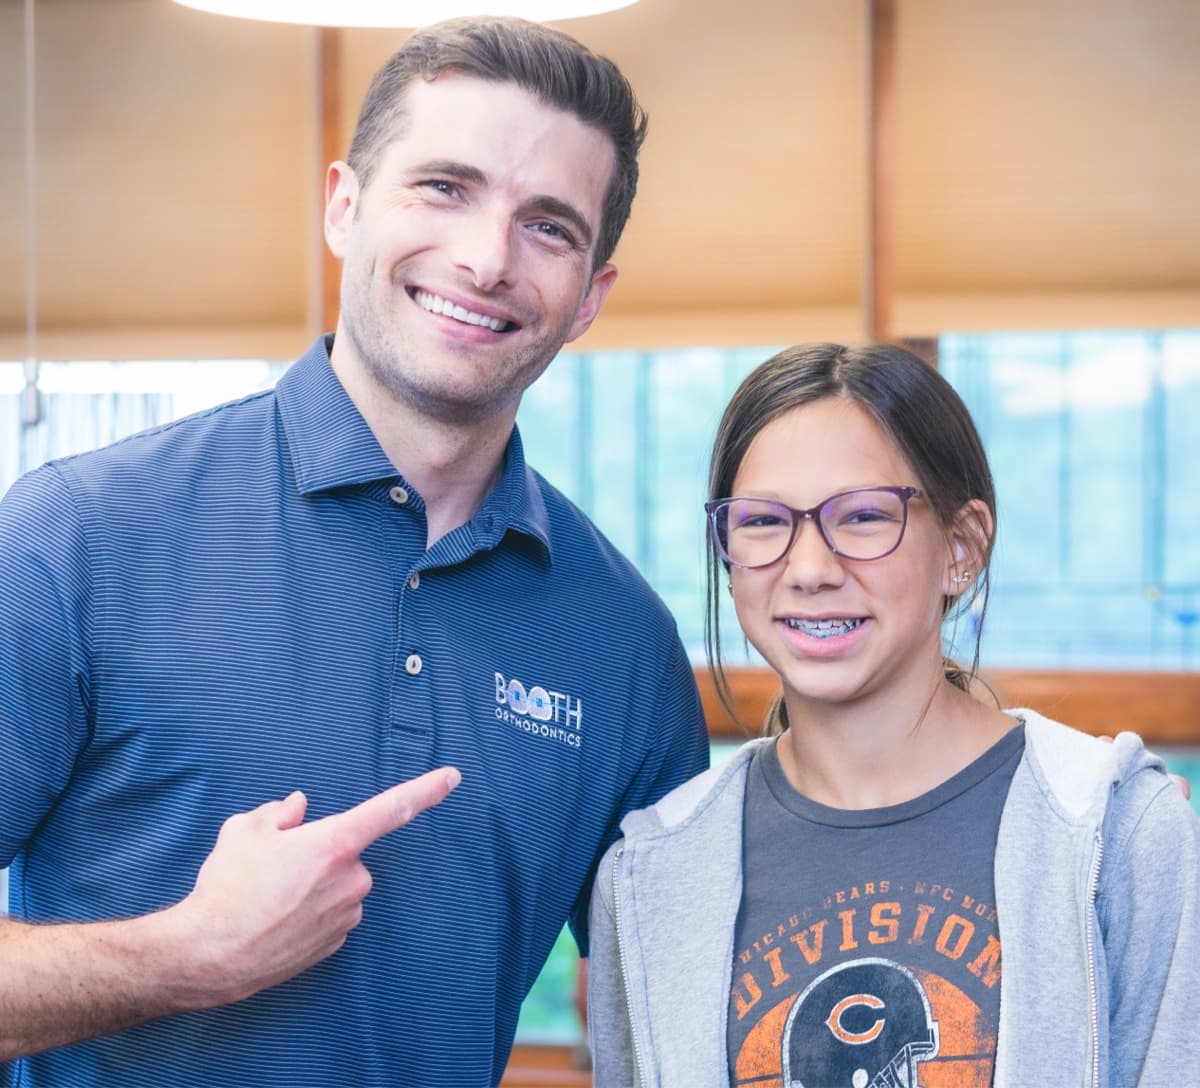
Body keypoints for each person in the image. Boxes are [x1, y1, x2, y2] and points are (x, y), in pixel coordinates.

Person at [0, 17, 709, 1087]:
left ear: (591, 298)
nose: (486, 258)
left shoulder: (622, 641)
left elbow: (682, 1015)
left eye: (550, 227)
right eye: (443, 187)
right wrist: (182, 955)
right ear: (345, 205)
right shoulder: (80, 535)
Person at [587, 343, 1200, 1087]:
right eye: (761, 522)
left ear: (963, 548)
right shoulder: (649, 871)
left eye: (866, 515)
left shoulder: (1118, 835)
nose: (810, 570)